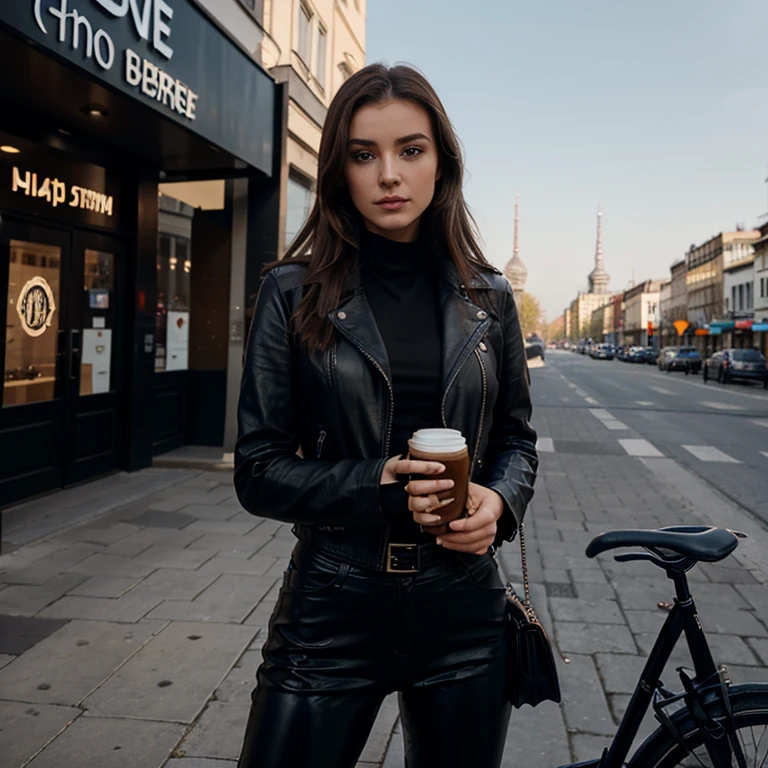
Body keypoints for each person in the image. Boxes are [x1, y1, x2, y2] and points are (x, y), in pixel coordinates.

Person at [234, 63, 538, 768]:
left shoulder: (489, 299)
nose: (389, 174)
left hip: (465, 611)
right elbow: (258, 470)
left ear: (442, 162)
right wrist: (378, 481)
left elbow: (518, 438)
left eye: (411, 149)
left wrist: (498, 499)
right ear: (339, 169)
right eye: (363, 154)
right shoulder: (290, 292)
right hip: (332, 603)